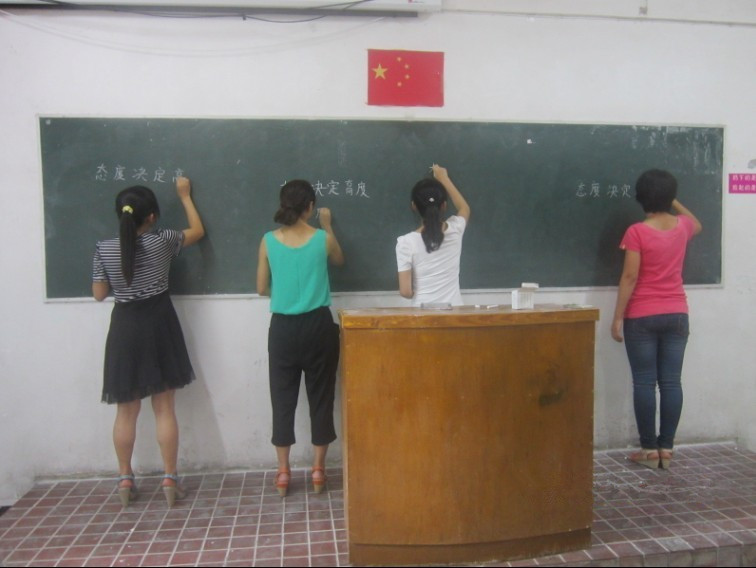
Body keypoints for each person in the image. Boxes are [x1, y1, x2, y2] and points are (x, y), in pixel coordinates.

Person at [92, 177, 205, 507]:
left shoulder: (104, 248)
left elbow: (99, 293)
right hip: (159, 323)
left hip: (125, 328)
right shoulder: (163, 240)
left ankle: (125, 479)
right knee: (164, 407)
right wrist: (185, 196)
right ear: (152, 217)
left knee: (126, 411)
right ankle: (170, 478)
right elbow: (197, 231)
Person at [256, 179, 344, 497]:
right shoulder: (322, 239)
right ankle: (318, 471)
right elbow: (340, 260)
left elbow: (261, 288)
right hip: (319, 327)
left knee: (282, 399)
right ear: (310, 207)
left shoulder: (268, 240)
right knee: (321, 398)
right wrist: (328, 225)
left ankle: (283, 472)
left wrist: (286, 291)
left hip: (283, 329)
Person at [611, 169, 702, 470]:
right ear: (670, 196)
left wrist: (617, 318)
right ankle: (667, 449)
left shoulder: (637, 232)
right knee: (671, 382)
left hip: (642, 316)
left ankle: (649, 451)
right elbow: (697, 223)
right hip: (677, 313)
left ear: (641, 197)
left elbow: (629, 276)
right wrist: (671, 200)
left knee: (645, 382)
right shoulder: (683, 226)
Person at [396, 164, 471, 306]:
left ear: (414, 206)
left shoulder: (406, 243)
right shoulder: (455, 229)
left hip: (423, 313)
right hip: (455, 312)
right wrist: (443, 178)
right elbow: (464, 208)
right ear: (444, 205)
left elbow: (406, 292)